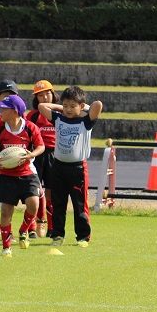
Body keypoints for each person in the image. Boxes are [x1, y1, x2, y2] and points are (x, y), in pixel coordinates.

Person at [36, 86, 104, 248]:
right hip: (58, 168)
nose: (68, 109)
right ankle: (58, 235)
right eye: (66, 105)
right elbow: (41, 106)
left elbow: (98, 105)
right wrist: (61, 107)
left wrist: (83, 108)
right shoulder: (59, 118)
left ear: (81, 106)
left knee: (79, 204)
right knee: (58, 204)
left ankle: (83, 237)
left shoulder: (85, 121)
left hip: (78, 169)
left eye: (73, 106)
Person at [0, 94, 45, 257]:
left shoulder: (30, 127)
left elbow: (41, 146)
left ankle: (24, 230)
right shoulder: (0, 127)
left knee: (34, 204)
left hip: (27, 173)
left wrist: (31, 154)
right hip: (7, 175)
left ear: (15, 111)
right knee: (6, 211)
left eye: (3, 108)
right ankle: (6, 247)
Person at [26, 79, 60, 238]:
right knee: (34, 191)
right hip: (37, 155)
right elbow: (26, 136)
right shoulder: (32, 116)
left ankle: (52, 228)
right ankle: (32, 227)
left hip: (55, 155)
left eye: (47, 94)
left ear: (53, 94)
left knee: (51, 193)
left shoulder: (60, 113)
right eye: (41, 95)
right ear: (36, 98)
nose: (45, 97)